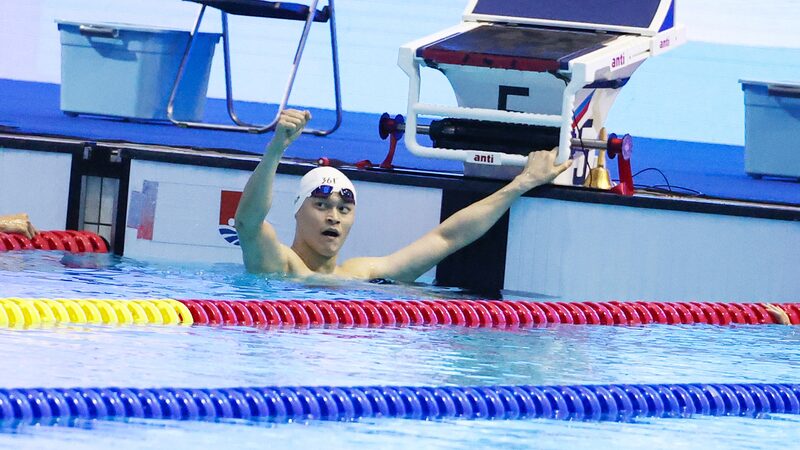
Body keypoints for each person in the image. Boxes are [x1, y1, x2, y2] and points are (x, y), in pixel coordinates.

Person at [234, 109, 572, 283]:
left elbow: (447, 237)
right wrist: (276, 148)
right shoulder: (279, 265)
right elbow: (248, 222)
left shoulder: (361, 275)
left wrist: (522, 182)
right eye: (321, 205)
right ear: (297, 211)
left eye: (344, 208)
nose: (333, 216)